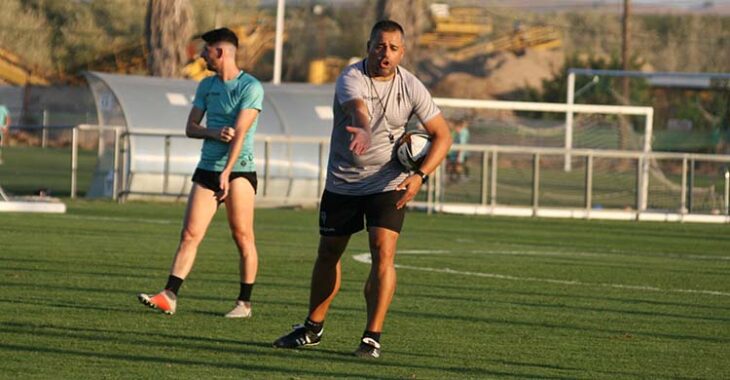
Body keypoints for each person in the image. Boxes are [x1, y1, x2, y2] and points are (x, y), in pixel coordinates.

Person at [273, 20, 452, 358]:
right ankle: (312, 328)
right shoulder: (351, 77)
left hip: (388, 182)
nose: (386, 53)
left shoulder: (411, 86)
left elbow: (443, 136)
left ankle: (372, 337)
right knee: (329, 252)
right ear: (369, 45)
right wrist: (364, 129)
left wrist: (420, 176)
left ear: (402, 52)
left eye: (393, 48)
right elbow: (357, 107)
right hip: (344, 180)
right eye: (380, 46)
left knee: (382, 250)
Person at [137, 27, 263, 318]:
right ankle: (169, 295)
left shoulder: (251, 87)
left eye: (207, 50)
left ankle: (244, 303)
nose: (202, 55)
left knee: (242, 236)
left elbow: (241, 133)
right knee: (190, 233)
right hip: (207, 169)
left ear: (220, 52)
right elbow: (191, 128)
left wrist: (227, 172)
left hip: (239, 171)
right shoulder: (206, 86)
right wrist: (213, 132)